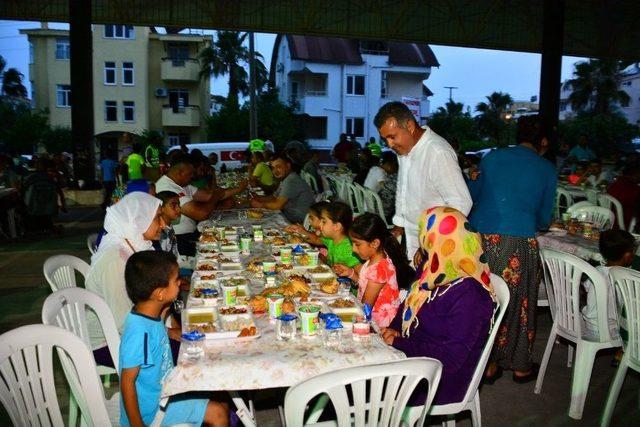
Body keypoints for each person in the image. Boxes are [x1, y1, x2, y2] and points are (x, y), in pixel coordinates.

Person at [468, 115, 557, 383]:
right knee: (519, 302)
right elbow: (543, 217)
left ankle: (489, 364)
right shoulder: (546, 168)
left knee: (485, 299)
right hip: (517, 241)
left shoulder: (492, 158)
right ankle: (519, 365)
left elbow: (473, 195)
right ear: (543, 141)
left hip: (480, 239)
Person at [380, 207, 495, 405]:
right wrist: (394, 329)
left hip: (439, 380)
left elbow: (451, 359)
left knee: (351, 388)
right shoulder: (433, 270)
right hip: (415, 358)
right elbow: (408, 303)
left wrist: (398, 343)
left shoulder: (471, 296)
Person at [120, 250, 229, 427]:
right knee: (218, 414)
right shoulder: (138, 332)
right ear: (160, 294)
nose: (180, 282)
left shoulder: (149, 312)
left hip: (166, 390)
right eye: (176, 280)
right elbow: (127, 382)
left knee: (220, 393)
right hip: (154, 411)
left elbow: (159, 326)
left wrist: (169, 315)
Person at [374, 101, 472, 262]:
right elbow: (403, 188)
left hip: (439, 244)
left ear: (410, 126)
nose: (389, 144)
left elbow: (461, 203)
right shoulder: (405, 150)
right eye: (385, 139)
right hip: (414, 238)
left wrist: (430, 241)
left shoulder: (437, 152)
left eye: (392, 137)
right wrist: (399, 224)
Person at [85, 192, 167, 368]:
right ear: (138, 219)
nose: (164, 224)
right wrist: (166, 333)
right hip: (108, 342)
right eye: (158, 218)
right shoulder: (116, 261)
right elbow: (123, 321)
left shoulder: (137, 245)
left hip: (136, 327)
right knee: (187, 354)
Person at [155, 155, 232, 256]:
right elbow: (201, 214)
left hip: (190, 234)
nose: (192, 176)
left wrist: (240, 188)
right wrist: (216, 196)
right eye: (190, 173)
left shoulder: (182, 184)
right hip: (180, 239)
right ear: (180, 172)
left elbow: (208, 196)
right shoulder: (166, 187)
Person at [347, 213, 414, 327]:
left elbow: (366, 307)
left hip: (379, 323)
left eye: (357, 244)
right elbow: (366, 285)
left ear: (375, 243)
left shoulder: (378, 270)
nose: (353, 249)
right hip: (372, 315)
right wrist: (351, 274)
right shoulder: (374, 260)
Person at [582, 230, 635, 343]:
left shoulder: (596, 271)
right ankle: (621, 354)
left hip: (590, 327)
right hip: (609, 330)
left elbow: (586, 286)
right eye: (632, 251)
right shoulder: (624, 277)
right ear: (627, 255)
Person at [249, 153, 314, 224]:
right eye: (273, 168)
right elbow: (274, 197)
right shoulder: (286, 179)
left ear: (288, 166)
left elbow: (277, 205)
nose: (275, 171)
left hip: (300, 222)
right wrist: (259, 199)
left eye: (278, 167)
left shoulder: (291, 180)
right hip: (289, 217)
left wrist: (261, 205)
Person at [318, 202, 361, 273]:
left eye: (324, 222)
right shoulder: (331, 239)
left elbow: (361, 272)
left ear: (336, 226)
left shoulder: (347, 249)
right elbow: (316, 240)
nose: (319, 224)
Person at [607, 163, 640, 230]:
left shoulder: (615, 183)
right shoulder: (633, 188)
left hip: (610, 218)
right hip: (624, 221)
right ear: (636, 174)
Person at [153, 191, 181, 258]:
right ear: (161, 208)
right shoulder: (159, 231)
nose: (179, 209)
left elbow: (174, 253)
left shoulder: (169, 226)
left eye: (179, 205)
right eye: (173, 205)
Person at [378, 151, 398, 224]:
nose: (381, 166)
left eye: (382, 164)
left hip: (386, 214)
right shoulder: (393, 176)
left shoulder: (394, 179)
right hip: (383, 212)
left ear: (389, 164)